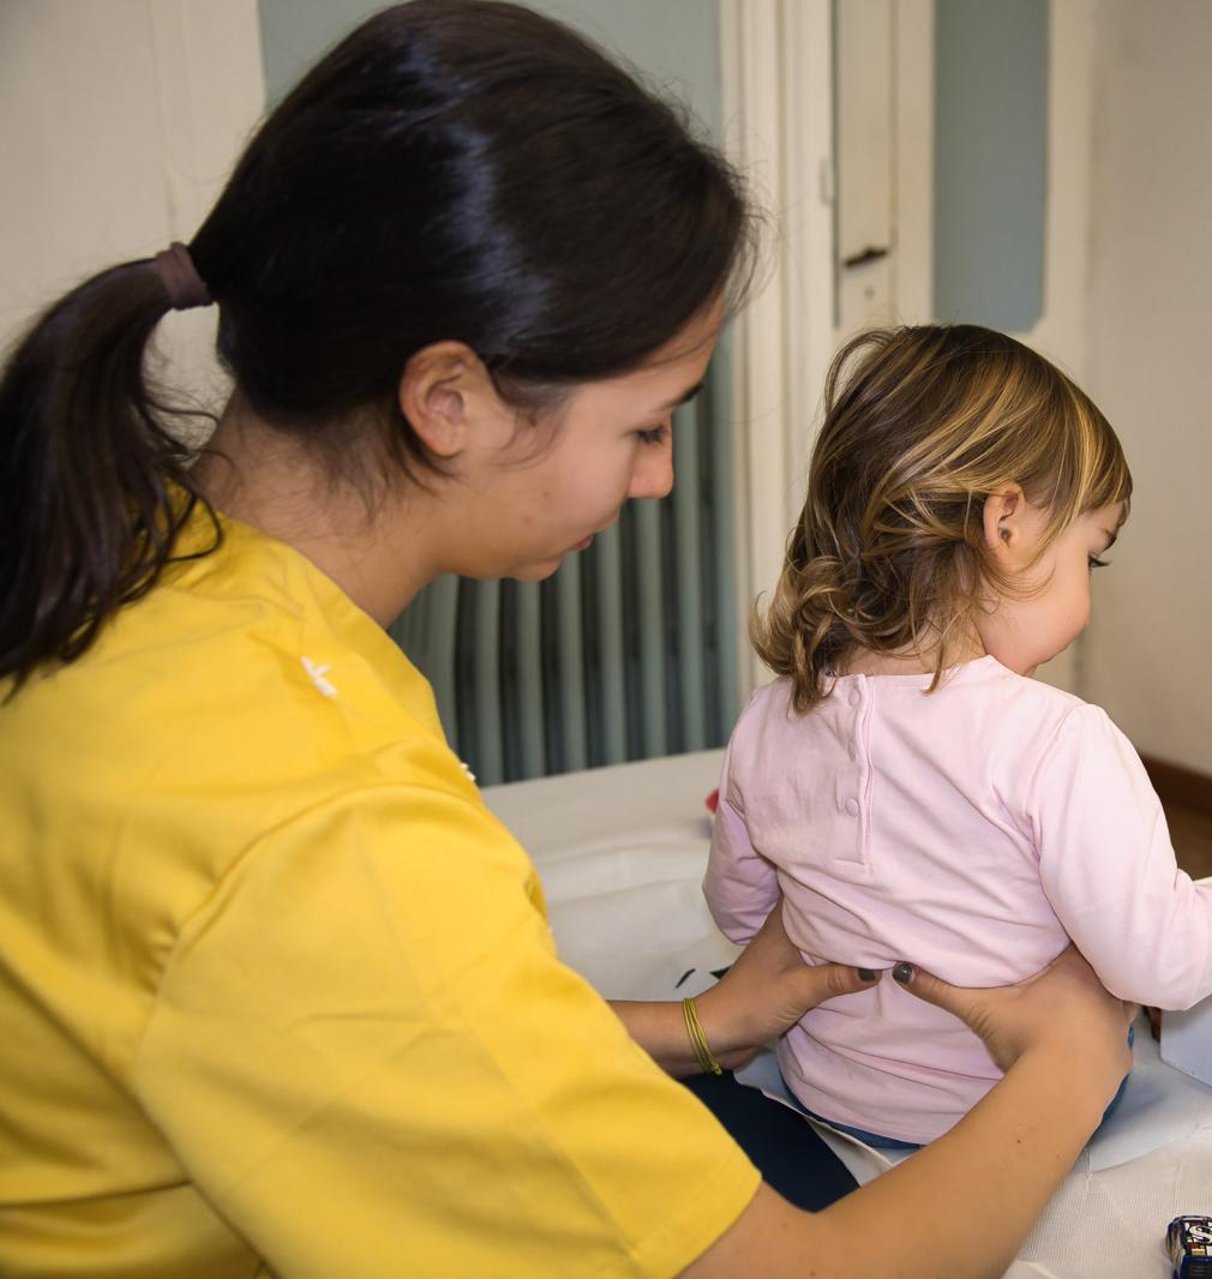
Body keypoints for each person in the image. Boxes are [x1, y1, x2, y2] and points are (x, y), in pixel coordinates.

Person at [0, 4, 1132, 1276]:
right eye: (646, 427)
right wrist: (1072, 1051)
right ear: (449, 400)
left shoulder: (156, 583)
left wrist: (699, 1027)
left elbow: (388, 1028)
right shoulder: (313, 818)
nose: (659, 479)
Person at [703, 324, 1212, 1148]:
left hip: (826, 1091)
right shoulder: (1057, 741)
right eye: (1092, 554)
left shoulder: (768, 719)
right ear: (1005, 523)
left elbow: (739, 913)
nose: (1089, 590)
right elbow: (1165, 959)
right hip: (1006, 1119)